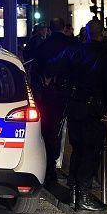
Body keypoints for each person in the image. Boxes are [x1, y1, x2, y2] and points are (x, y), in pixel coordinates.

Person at [45, 19, 107, 211]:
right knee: (91, 151)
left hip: (73, 106)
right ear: (101, 33)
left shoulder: (74, 50)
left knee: (77, 148)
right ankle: (83, 195)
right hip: (93, 109)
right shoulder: (105, 55)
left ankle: (74, 192)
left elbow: (51, 66)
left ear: (86, 33)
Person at [31, 17, 79, 185]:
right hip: (65, 93)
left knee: (47, 131)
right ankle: (58, 169)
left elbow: (35, 69)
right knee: (60, 132)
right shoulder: (71, 44)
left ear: (50, 29)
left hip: (45, 94)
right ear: (63, 28)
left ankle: (48, 167)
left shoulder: (43, 45)